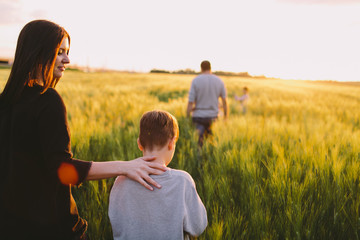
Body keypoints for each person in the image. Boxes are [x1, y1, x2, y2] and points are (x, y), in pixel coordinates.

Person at [0, 20, 166, 239]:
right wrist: (124, 166)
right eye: (59, 52)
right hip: (53, 228)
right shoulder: (48, 100)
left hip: (10, 225)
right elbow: (62, 169)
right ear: (38, 51)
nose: (67, 60)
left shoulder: (6, 102)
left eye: (67, 52)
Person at [108, 110, 208, 240]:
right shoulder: (182, 181)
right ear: (172, 143)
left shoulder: (120, 180)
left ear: (139, 143)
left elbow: (117, 225)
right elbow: (198, 227)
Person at [186, 60, 228, 147]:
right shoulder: (219, 81)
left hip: (198, 117)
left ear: (201, 68)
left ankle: (199, 158)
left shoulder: (196, 81)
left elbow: (190, 102)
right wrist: (225, 117)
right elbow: (224, 101)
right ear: (210, 68)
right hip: (213, 117)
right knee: (213, 143)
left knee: (199, 144)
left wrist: (187, 117)